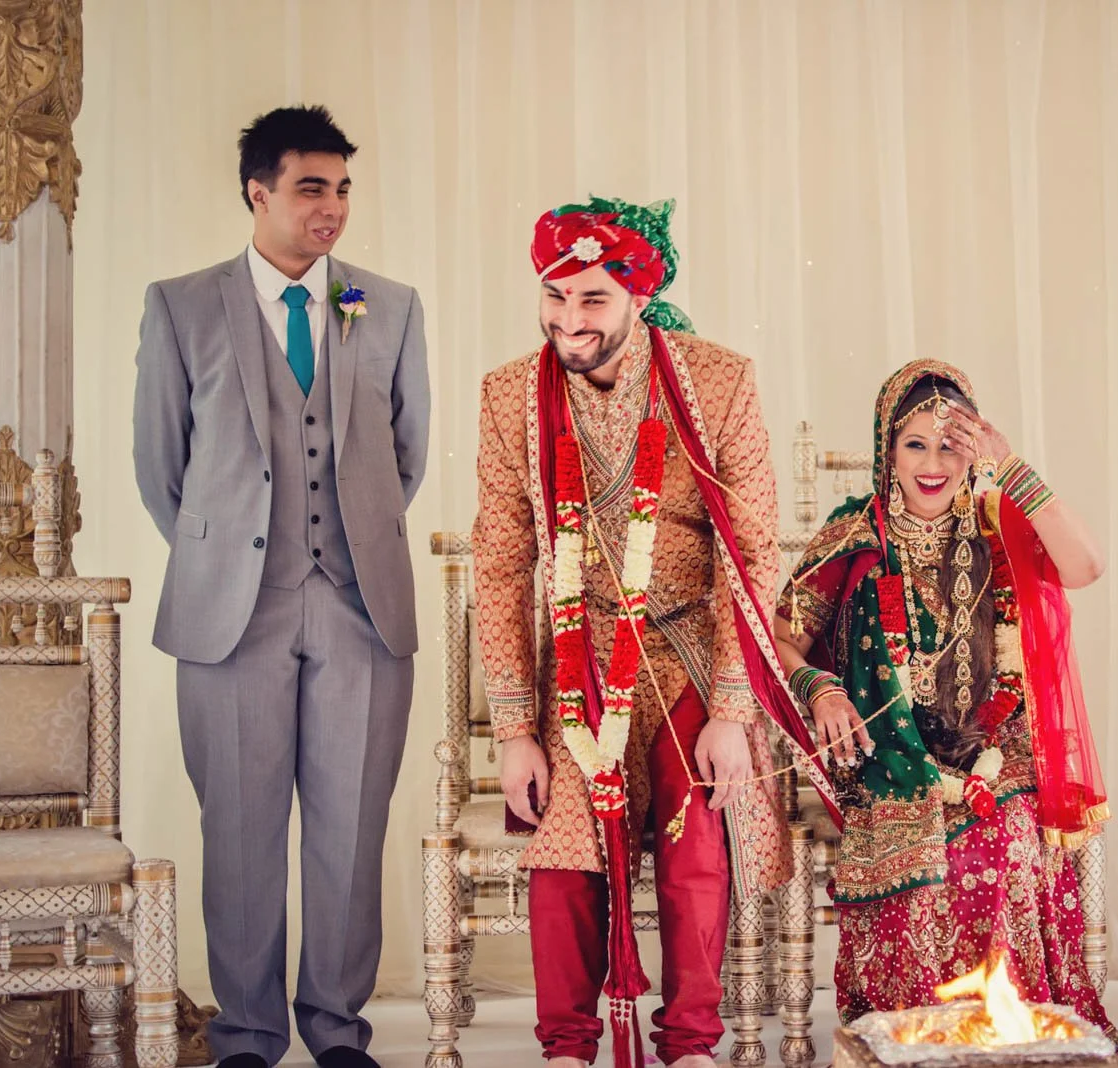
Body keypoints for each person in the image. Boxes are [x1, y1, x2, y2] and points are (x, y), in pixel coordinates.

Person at [471, 196, 830, 1068]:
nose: (569, 320)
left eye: (592, 299)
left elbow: (748, 551)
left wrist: (734, 710)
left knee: (696, 833)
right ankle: (566, 1045)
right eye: (556, 297)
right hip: (573, 656)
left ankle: (691, 1044)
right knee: (562, 848)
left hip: (691, 652)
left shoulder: (716, 382)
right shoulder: (509, 395)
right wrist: (516, 733)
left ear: (637, 292)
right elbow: (498, 564)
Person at [133, 106, 430, 1068]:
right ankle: (248, 1038)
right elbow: (161, 467)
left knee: (351, 829)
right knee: (243, 834)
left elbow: (406, 453)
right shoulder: (181, 305)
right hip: (231, 612)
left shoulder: (388, 305)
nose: (333, 207)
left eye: (343, 187)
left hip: (359, 603)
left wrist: (340, 540)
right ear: (257, 192)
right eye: (312, 187)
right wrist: (234, 551)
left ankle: (339, 1033)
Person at [773, 359, 1118, 1050]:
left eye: (950, 444)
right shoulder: (853, 535)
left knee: (1008, 832)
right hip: (885, 756)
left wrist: (1010, 465)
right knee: (919, 830)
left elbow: (1085, 566)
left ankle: (1004, 1030)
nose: (934, 463)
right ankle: (916, 1031)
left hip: (996, 750)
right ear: (887, 451)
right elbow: (783, 637)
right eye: (916, 444)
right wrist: (822, 687)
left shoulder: (999, 529)